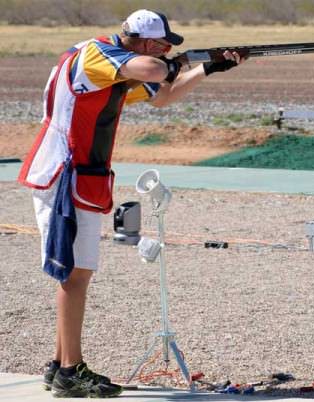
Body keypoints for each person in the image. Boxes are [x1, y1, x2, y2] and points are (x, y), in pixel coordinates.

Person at [18, 9, 243, 398]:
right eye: (161, 44)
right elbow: (156, 72)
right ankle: (71, 370)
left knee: (76, 271)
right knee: (74, 273)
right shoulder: (97, 55)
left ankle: (60, 365)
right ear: (143, 42)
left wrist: (210, 68)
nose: (165, 50)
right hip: (65, 173)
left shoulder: (115, 69)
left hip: (77, 175)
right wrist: (172, 64)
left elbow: (163, 95)